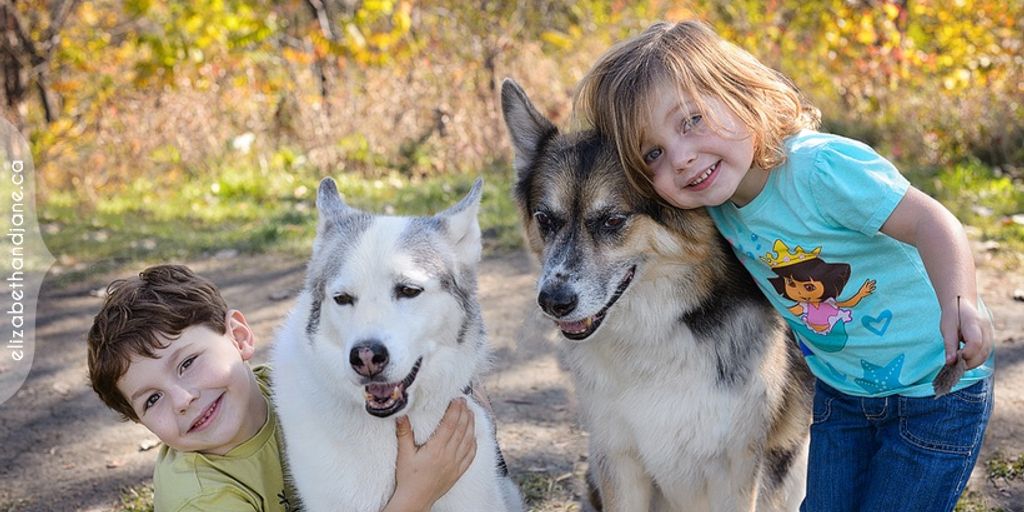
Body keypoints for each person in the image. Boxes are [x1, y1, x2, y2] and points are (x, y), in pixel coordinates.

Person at [574, 20, 995, 512]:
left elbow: (933, 222)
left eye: (691, 120)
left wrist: (959, 303)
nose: (683, 158)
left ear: (740, 93)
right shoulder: (715, 208)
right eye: (654, 153)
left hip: (937, 391)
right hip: (844, 396)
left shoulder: (821, 170)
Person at [87, 264, 477, 512]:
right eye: (152, 399)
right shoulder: (199, 499)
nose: (183, 399)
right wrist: (417, 494)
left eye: (188, 363)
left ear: (238, 337)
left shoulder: (296, 385)